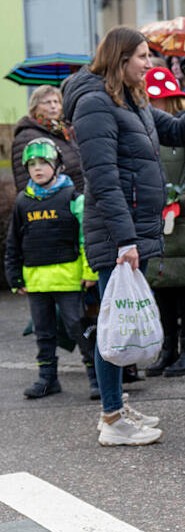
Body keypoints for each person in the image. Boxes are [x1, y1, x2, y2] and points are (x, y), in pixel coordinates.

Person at [62, 26, 185, 446]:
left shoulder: (130, 100)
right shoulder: (96, 104)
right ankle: (113, 419)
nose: (149, 64)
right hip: (118, 234)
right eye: (141, 57)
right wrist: (125, 241)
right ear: (119, 60)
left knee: (116, 320)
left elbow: (174, 132)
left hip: (132, 230)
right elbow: (103, 179)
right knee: (113, 324)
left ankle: (114, 405)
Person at [5, 137, 98, 399]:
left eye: (43, 163)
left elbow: (85, 237)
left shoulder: (73, 198)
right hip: (36, 281)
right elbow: (14, 242)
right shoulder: (23, 201)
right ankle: (47, 379)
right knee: (43, 333)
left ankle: (96, 377)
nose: (37, 169)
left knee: (78, 329)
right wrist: (14, 276)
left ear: (57, 165)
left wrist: (89, 271)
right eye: (31, 164)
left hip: (69, 280)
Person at [140, 68, 185, 378]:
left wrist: (181, 202)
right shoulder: (142, 129)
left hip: (184, 217)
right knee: (160, 284)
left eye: (160, 100)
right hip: (154, 217)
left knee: (184, 285)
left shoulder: (183, 131)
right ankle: (168, 348)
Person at [11, 86, 84, 194]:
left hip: (76, 198)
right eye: (47, 102)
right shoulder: (28, 136)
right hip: (53, 204)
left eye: (56, 101)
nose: (53, 106)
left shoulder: (64, 131)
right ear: (35, 107)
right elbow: (25, 180)